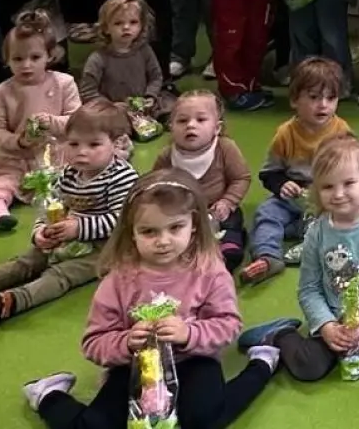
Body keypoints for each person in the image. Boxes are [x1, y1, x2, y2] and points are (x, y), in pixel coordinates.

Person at [19, 171, 279, 429]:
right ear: (131, 232)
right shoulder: (118, 280)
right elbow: (93, 343)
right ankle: (48, 394)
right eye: (148, 231)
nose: (163, 241)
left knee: (205, 419)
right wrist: (126, 342)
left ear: (194, 224)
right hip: (134, 366)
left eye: (175, 227)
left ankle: (262, 362)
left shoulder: (209, 271)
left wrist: (188, 333)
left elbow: (228, 325)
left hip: (193, 359)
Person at [236, 136, 359, 382]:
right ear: (316, 188)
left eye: (349, 183)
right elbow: (309, 289)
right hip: (337, 318)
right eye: (327, 187)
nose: (338, 194)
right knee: (309, 367)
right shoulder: (316, 233)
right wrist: (326, 325)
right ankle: (280, 334)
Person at [0, 99, 136, 325]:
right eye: (74, 144)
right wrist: (41, 232)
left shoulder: (121, 177)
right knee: (26, 262)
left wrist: (79, 228)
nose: (81, 152)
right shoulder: (70, 173)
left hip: (106, 249)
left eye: (94, 145)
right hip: (69, 236)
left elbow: (122, 220)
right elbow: (52, 205)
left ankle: (12, 302)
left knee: (61, 275)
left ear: (117, 143)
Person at [239, 57, 354, 285]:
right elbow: (269, 172)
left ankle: (314, 242)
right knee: (266, 214)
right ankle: (267, 257)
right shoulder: (285, 133)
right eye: (314, 97)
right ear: (294, 100)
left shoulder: (341, 130)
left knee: (345, 217)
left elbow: (352, 169)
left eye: (331, 98)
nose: (323, 105)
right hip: (292, 199)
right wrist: (282, 184)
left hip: (327, 198)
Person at [0, 12, 80, 229]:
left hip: (59, 153)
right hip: (18, 157)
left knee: (78, 176)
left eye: (35, 57)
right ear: (6, 59)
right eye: (17, 59)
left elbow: (77, 121)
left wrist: (52, 122)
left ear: (49, 56)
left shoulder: (64, 83)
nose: (26, 65)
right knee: (4, 182)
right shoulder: (2, 92)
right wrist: (19, 141)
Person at [153, 90, 251, 271]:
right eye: (182, 121)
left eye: (201, 119)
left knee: (231, 222)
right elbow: (156, 184)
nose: (191, 125)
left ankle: (231, 243)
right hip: (182, 212)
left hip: (217, 210)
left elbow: (241, 178)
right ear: (171, 127)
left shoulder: (225, 148)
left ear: (217, 128)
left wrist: (228, 201)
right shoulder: (167, 155)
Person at [79, 0, 166, 138]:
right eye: (118, 23)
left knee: (171, 107)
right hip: (111, 112)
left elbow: (156, 77)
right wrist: (111, 107)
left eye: (133, 22)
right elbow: (88, 92)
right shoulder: (98, 59)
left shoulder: (145, 50)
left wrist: (150, 95)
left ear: (141, 25)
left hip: (143, 107)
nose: (126, 27)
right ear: (106, 28)